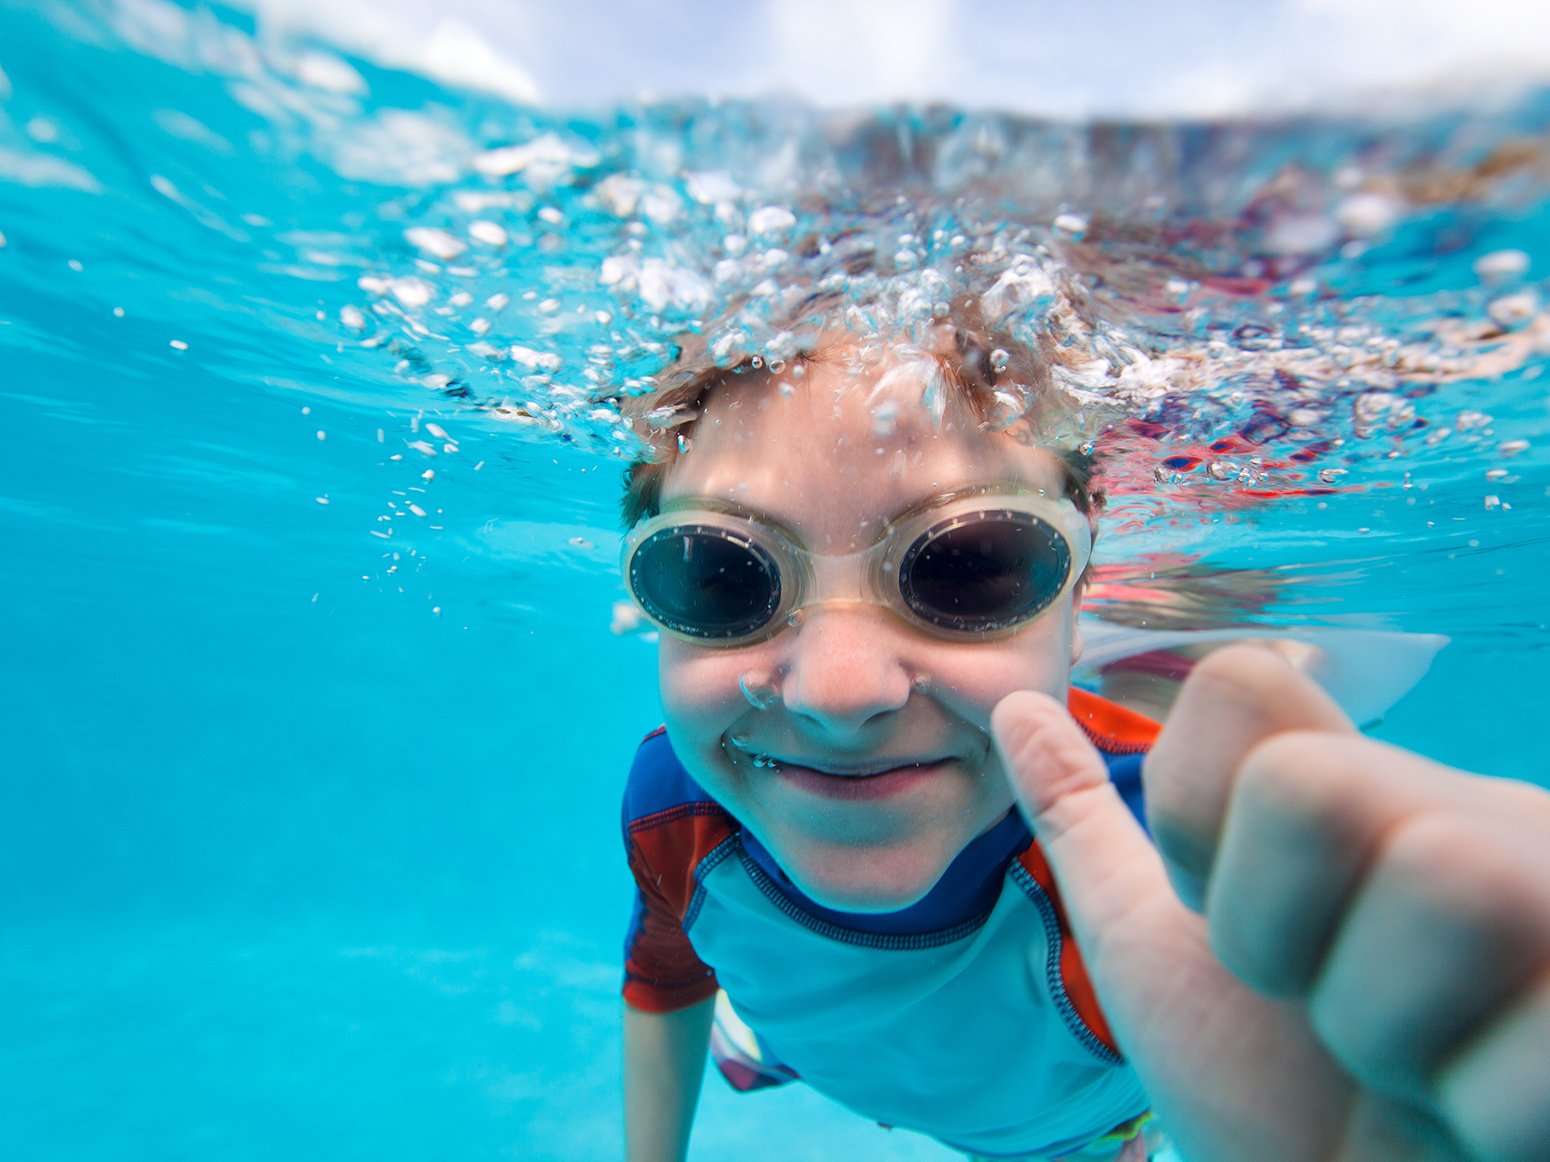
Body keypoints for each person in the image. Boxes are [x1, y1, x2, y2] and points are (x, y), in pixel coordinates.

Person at [614, 310, 1550, 1162]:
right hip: (824, 1041)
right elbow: (665, 970)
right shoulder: (673, 803)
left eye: (973, 564)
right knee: (772, 1034)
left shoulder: (1160, 874)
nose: (840, 694)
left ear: (1081, 569)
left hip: (1069, 1136)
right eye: (722, 575)